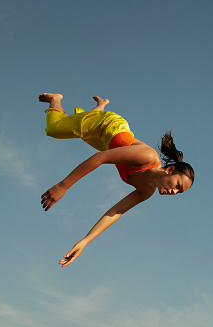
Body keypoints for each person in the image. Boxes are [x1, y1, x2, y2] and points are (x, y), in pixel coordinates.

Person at [39, 93, 194, 267]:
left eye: (179, 192)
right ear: (170, 170)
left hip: (106, 142)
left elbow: (116, 212)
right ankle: (56, 99)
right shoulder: (147, 157)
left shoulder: (146, 191)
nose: (174, 192)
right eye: (177, 185)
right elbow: (99, 159)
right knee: (55, 129)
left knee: (83, 133)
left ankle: (101, 106)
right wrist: (63, 186)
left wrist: (85, 241)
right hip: (107, 126)